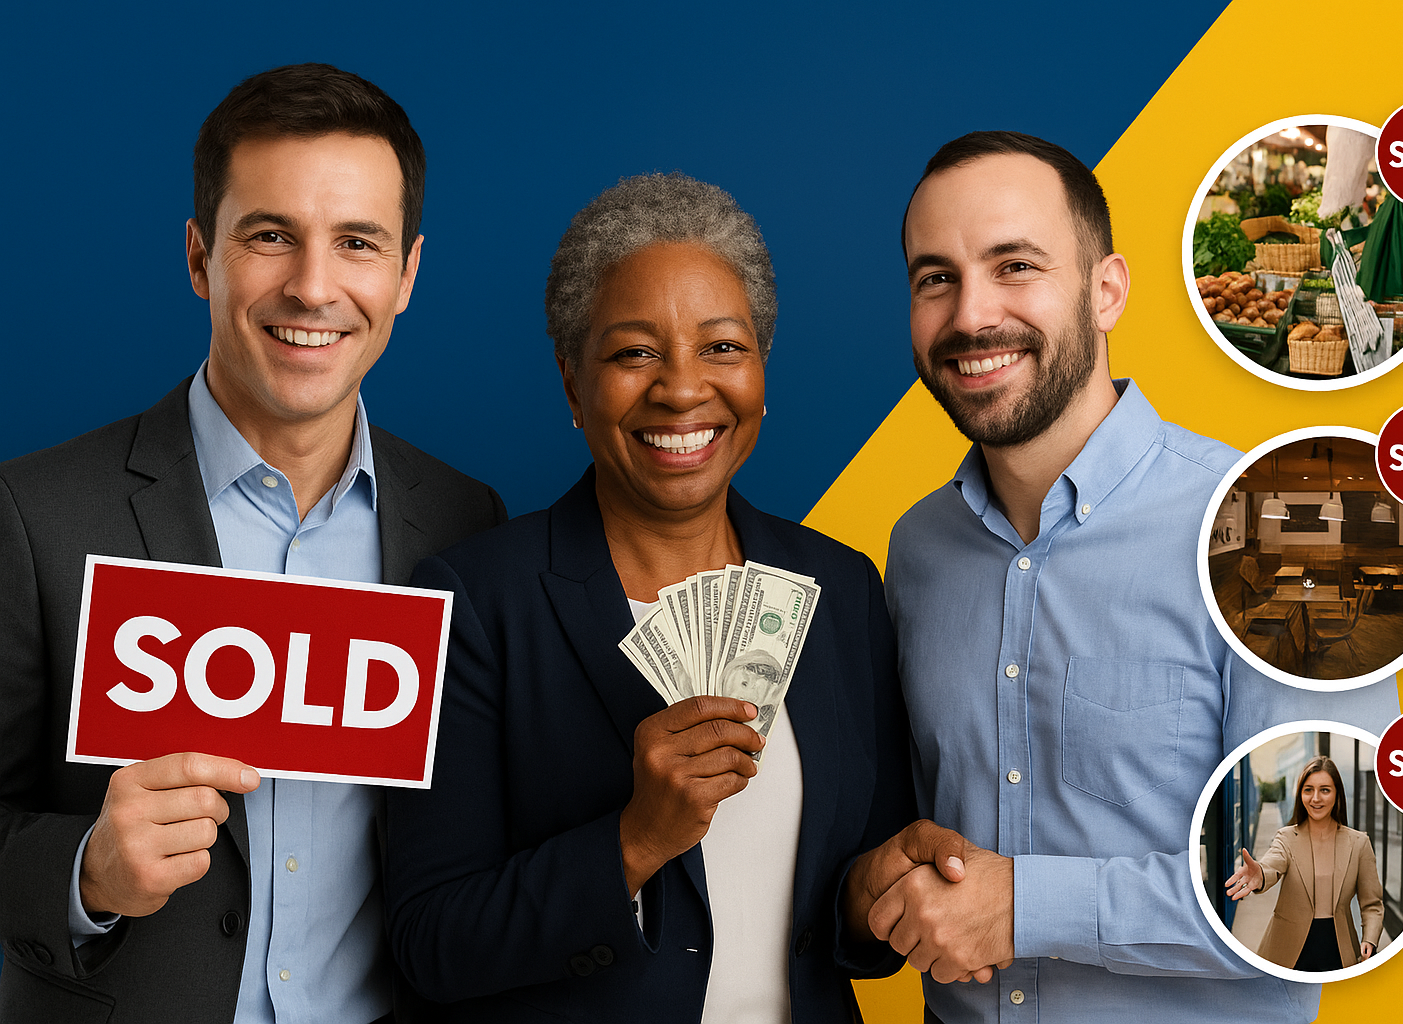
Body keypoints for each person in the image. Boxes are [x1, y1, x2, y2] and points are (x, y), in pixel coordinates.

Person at [383, 172, 959, 1022]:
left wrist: (873, 891)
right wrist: (634, 840)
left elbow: (841, 928)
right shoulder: (472, 603)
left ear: (762, 369)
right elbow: (429, 943)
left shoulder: (837, 589)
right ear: (574, 382)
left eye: (722, 347)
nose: (683, 389)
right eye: (633, 352)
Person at [0, 64, 505, 1022]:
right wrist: (86, 873)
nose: (314, 287)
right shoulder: (34, 514)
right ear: (200, 258)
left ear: (406, 277)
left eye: (357, 243)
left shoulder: (464, 522)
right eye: (270, 236)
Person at [858, 131, 1400, 1022]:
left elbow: (1335, 890)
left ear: (1107, 291)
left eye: (1016, 264)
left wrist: (1026, 908)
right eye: (935, 278)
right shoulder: (917, 551)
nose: (970, 316)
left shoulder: (1288, 533)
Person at [1226, 755, 1384, 971]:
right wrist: (1260, 873)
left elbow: (1372, 904)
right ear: (1300, 794)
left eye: (1325, 790)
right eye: (1308, 790)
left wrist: (1370, 939)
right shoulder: (1286, 837)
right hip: (1288, 948)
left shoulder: (1359, 843)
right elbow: (1273, 862)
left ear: (1337, 794)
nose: (1315, 798)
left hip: (1339, 948)